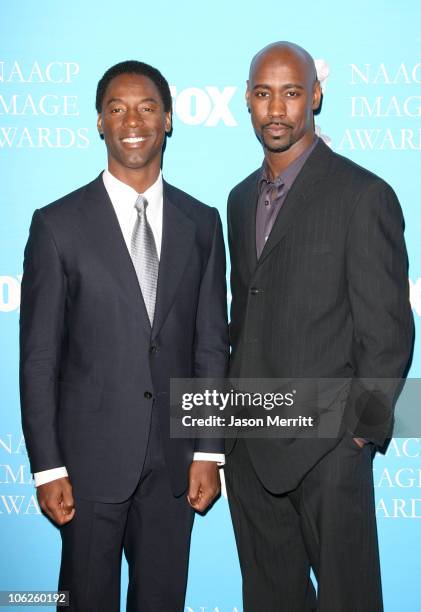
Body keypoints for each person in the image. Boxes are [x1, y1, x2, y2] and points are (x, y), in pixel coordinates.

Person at [19, 60, 229, 612]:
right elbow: (39, 359)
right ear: (99, 123)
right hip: (86, 467)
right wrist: (48, 466)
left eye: (146, 107)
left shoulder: (202, 223)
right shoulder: (57, 225)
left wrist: (209, 449)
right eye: (116, 108)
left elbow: (210, 344)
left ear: (168, 120)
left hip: (175, 467)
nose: (131, 120)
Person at [224, 42, 413, 612]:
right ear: (248, 103)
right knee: (269, 600)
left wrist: (356, 441)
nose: (276, 108)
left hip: (328, 451)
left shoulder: (364, 195)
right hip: (250, 447)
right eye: (263, 94)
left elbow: (389, 336)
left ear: (317, 96)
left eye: (291, 92)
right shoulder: (237, 201)